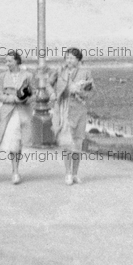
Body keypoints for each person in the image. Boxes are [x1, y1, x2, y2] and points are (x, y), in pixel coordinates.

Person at [49, 47, 94, 186]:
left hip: (79, 110)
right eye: (67, 57)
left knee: (78, 143)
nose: (68, 60)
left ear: (79, 60)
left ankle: (75, 173)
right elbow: (49, 83)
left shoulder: (86, 72)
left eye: (72, 58)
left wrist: (79, 91)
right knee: (67, 143)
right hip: (63, 110)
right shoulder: (59, 70)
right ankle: (67, 173)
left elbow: (91, 91)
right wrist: (52, 93)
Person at [0, 51, 34, 185]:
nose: (7, 64)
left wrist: (25, 99)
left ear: (17, 61)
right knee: (13, 140)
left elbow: (32, 94)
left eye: (10, 61)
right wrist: (14, 98)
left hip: (23, 112)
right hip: (9, 112)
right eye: (6, 61)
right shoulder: (2, 76)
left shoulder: (28, 75)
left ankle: (16, 170)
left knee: (19, 141)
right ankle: (15, 171)